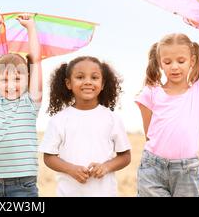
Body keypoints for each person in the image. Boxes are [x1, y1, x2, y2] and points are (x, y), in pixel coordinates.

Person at [135, 19, 199, 197]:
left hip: (187, 172)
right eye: (167, 62)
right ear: (160, 62)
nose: (174, 67)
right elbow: (149, 135)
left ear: (192, 60)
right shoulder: (151, 93)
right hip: (152, 169)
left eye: (181, 61)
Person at [39, 56, 131, 196]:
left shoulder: (112, 119)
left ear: (103, 84)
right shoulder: (59, 120)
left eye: (94, 78)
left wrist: (106, 167)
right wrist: (70, 169)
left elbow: (125, 156)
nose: (88, 82)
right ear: (68, 83)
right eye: (80, 77)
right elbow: (49, 157)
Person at [0, 14, 42, 197]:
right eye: (4, 79)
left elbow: (36, 61)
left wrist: (30, 28)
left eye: (17, 78)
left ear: (28, 78)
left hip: (23, 184)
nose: (11, 84)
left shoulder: (31, 102)